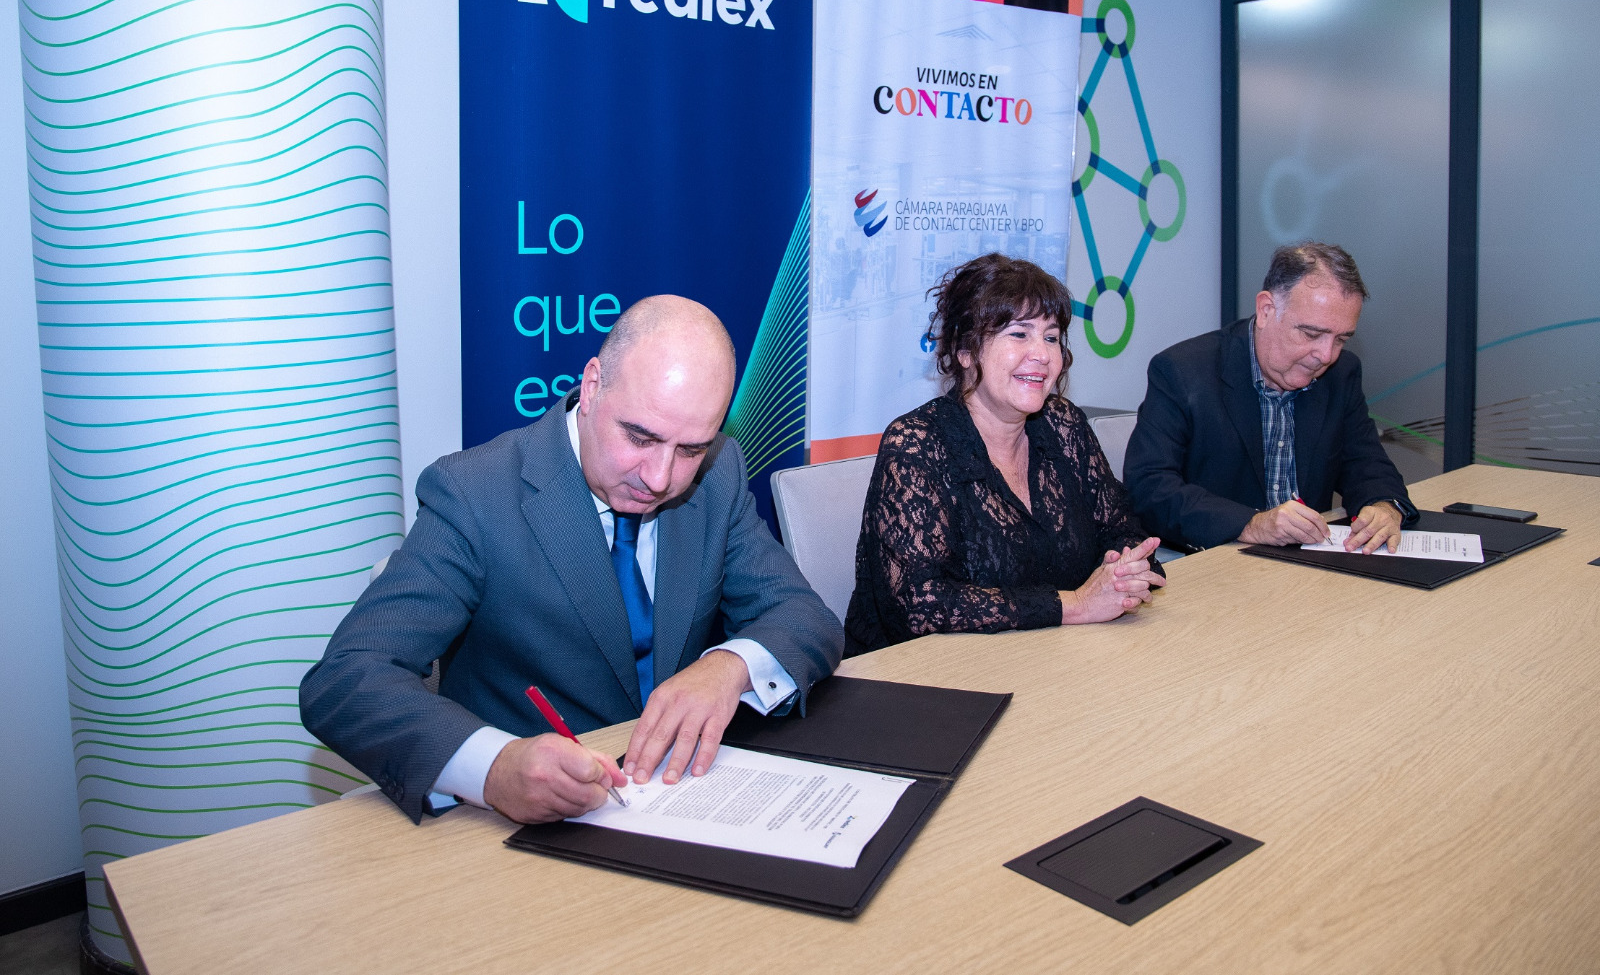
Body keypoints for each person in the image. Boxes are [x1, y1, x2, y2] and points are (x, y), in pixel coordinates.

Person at [301, 296, 843, 825]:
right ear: (591, 386)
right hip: (526, 832)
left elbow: (805, 617)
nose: (659, 478)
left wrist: (729, 668)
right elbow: (347, 681)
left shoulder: (717, 476)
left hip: (682, 804)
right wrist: (494, 767)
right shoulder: (475, 494)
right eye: (640, 436)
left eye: (690, 450)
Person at [844, 254, 1164, 657]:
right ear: (965, 351)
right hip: (926, 683)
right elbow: (918, 605)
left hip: (1056, 658)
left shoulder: (1064, 425)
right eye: (1019, 334)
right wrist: (1075, 605)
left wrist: (1123, 570)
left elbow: (1120, 527)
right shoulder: (916, 444)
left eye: (1051, 337)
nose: (1043, 354)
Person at [1123, 242, 1418, 554]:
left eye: (1341, 339)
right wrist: (1250, 523)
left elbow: (1365, 460)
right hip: (1216, 558)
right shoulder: (1183, 371)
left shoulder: (1341, 373)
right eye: (1312, 334)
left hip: (1307, 564)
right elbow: (1149, 489)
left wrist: (1383, 505)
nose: (1326, 355)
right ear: (1266, 310)